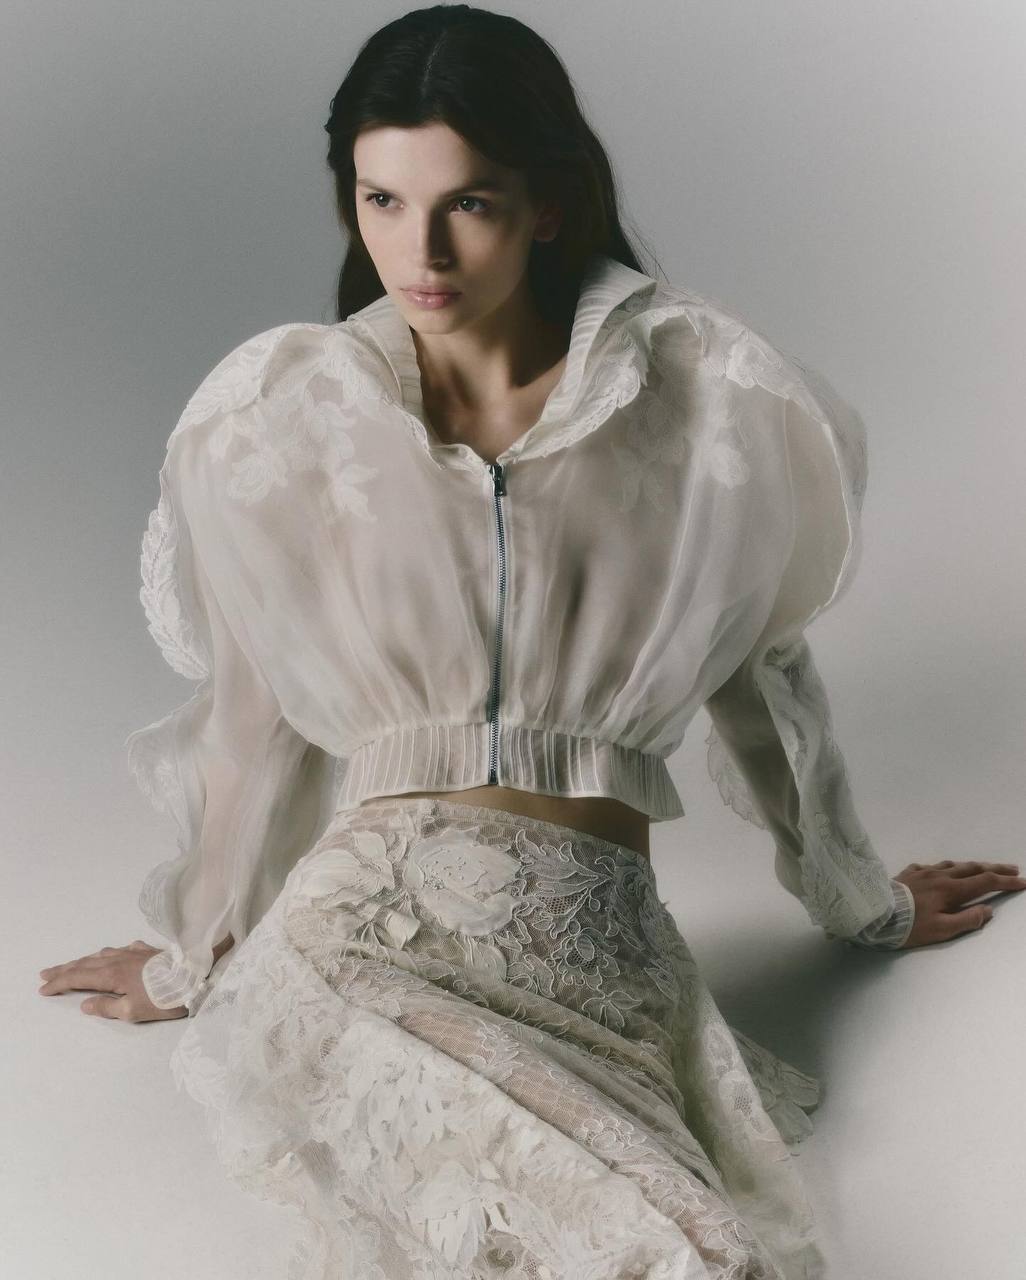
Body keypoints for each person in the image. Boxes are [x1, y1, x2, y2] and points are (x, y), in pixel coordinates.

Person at [37, 6, 1025, 1278]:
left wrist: (862, 901)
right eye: (382, 201)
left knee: (682, 1245)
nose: (420, 249)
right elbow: (256, 723)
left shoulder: (698, 395)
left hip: (597, 946)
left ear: (548, 204)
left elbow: (761, 680)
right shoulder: (288, 419)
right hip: (359, 938)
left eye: (469, 203)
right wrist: (195, 957)